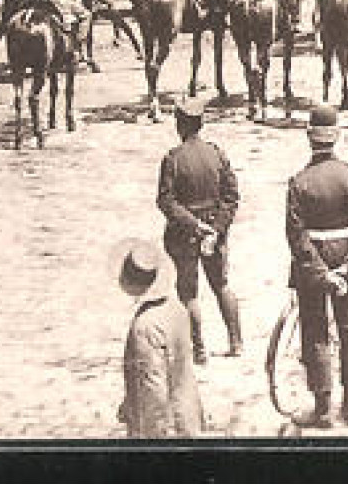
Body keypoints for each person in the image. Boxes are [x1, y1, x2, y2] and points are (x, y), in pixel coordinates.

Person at [284, 105, 348, 427]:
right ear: (336, 136)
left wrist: (322, 274)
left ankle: (322, 408)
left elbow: (296, 235)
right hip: (347, 255)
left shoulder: (299, 182)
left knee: (315, 331)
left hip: (313, 263)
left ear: (310, 137)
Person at [155, 95, 242, 364]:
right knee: (222, 285)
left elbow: (166, 201)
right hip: (215, 234)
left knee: (188, 292)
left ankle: (199, 349)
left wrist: (195, 225)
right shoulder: (216, 154)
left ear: (180, 124)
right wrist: (215, 229)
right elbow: (232, 196)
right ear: (201, 123)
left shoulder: (173, 159)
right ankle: (236, 342)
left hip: (185, 234)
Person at [114, 239, 204, 439]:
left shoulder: (144, 326)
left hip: (165, 427)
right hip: (187, 414)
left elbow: (153, 389)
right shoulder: (176, 308)